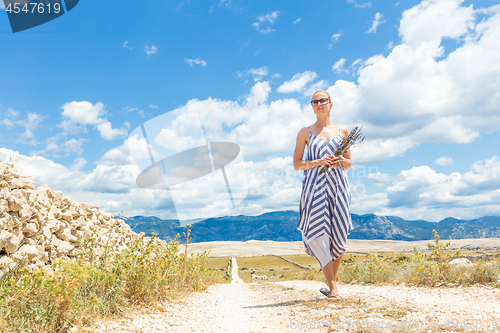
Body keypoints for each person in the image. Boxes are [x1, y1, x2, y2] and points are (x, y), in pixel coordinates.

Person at [293, 90, 352, 302]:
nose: (319, 104)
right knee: (318, 234)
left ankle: (330, 283)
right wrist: (319, 162)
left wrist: (339, 162)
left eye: (322, 100)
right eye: (314, 101)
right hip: (314, 188)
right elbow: (297, 164)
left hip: (338, 187)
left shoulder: (343, 131)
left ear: (330, 104)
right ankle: (334, 289)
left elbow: (348, 162)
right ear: (312, 106)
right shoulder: (305, 132)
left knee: (340, 233)